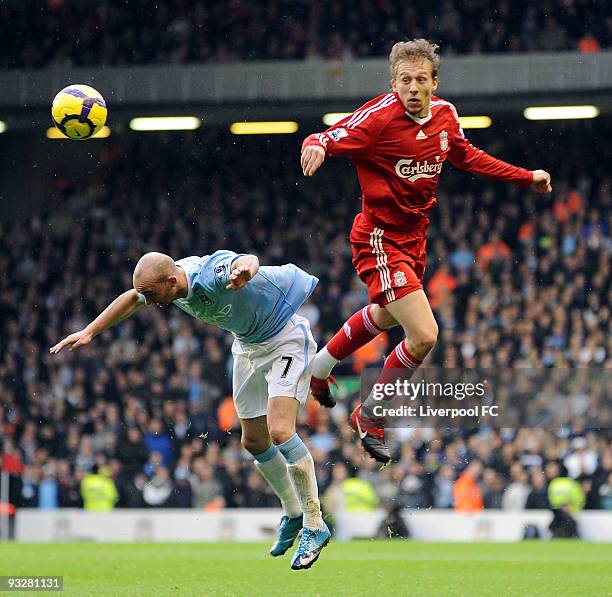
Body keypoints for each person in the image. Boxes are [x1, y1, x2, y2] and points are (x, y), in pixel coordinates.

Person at [300, 38, 553, 463]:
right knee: (424, 334)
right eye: (404, 80)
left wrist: (527, 177)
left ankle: (320, 368)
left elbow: (468, 157)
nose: (412, 87)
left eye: (421, 80)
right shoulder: (378, 118)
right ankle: (372, 414)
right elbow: (328, 134)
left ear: (435, 82)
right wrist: (317, 146)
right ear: (393, 83)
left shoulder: (445, 116)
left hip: (415, 238)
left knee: (383, 315)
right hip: (378, 237)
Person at [50, 250, 330, 570]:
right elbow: (132, 297)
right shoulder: (167, 284)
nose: (150, 302)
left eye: (153, 295)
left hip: (285, 339)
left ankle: (314, 523)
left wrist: (245, 272)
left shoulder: (211, 275)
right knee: (253, 441)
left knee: (280, 431)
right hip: (248, 346)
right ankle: (293, 512)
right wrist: (89, 331)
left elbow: (245, 259)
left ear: (171, 282)